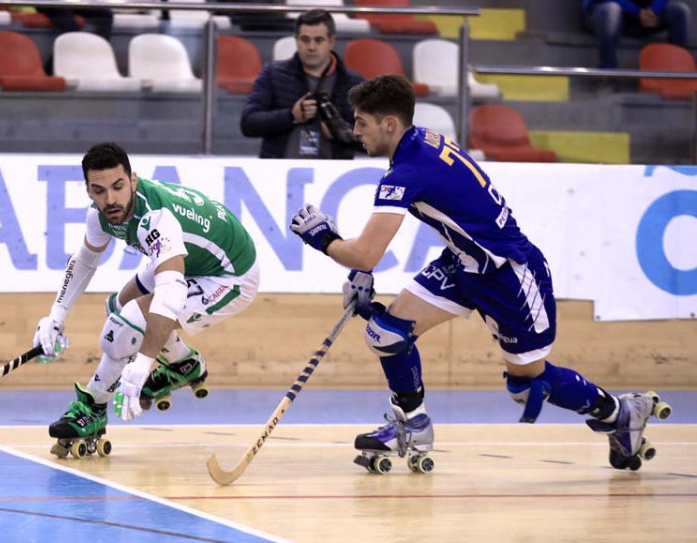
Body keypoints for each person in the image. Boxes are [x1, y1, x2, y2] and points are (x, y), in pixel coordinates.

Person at [289, 75, 669, 472]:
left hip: (510, 276)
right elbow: (376, 251)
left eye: (362, 122)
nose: (355, 131)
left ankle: (622, 414)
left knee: (527, 384)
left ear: (389, 124)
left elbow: (366, 253)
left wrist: (322, 237)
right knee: (388, 332)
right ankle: (412, 424)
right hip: (466, 264)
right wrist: (360, 274)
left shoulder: (407, 171)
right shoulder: (419, 143)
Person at [33, 142, 260, 457]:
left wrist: (144, 361)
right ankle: (183, 363)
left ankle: (93, 407)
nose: (110, 199)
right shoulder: (101, 216)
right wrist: (55, 316)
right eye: (99, 191)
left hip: (229, 276)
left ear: (133, 180)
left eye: (118, 186)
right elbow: (85, 262)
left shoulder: (156, 219)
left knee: (128, 326)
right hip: (190, 259)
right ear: (88, 191)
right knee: (116, 307)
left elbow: (171, 292)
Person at [240, 9, 364, 159]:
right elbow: (248, 124)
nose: (311, 47)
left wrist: (344, 133)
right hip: (279, 173)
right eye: (305, 39)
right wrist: (292, 116)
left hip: (333, 176)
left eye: (318, 40)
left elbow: (374, 141)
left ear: (331, 41)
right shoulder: (272, 73)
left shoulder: (353, 83)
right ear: (296, 40)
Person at [581, 0, 691, 69]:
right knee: (611, 9)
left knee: (680, 11)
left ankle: (679, 73)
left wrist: (653, 11)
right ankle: (606, 75)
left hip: (641, 18)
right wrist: (636, 12)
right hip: (602, 15)